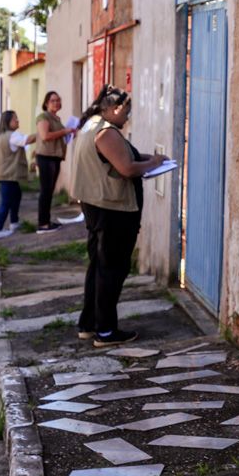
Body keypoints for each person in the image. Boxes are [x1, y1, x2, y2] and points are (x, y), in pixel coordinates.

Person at [71, 85, 168, 347]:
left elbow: (122, 158)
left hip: (96, 206)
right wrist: (155, 164)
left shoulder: (90, 125)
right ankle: (106, 331)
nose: (128, 117)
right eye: (126, 111)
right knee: (111, 270)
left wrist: (149, 158)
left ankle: (89, 324)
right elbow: (126, 168)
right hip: (113, 209)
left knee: (99, 267)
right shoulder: (106, 132)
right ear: (114, 109)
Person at [0, 110, 35, 239]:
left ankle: (14, 222)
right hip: (8, 175)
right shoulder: (12, 136)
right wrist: (42, 133)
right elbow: (27, 140)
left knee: (16, 196)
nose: (18, 121)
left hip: (3, 174)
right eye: (15, 119)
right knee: (6, 202)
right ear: (8, 122)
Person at [35, 90, 76, 234]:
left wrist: (69, 132)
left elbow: (58, 135)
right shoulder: (43, 117)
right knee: (46, 191)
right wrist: (65, 132)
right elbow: (45, 136)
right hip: (46, 157)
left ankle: (46, 220)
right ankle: (43, 224)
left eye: (58, 100)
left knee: (50, 190)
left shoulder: (56, 118)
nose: (57, 103)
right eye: (53, 100)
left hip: (55, 157)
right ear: (46, 103)